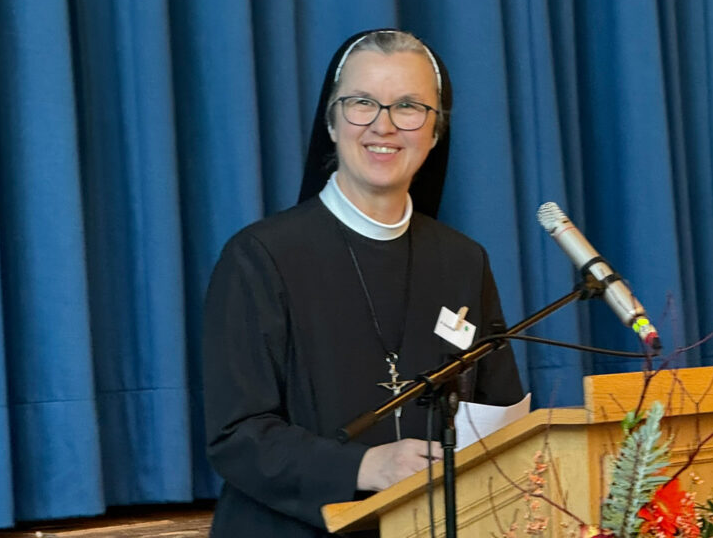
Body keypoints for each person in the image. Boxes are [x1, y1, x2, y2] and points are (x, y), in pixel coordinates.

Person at [202, 29, 524, 537]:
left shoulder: (463, 261)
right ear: (331, 121)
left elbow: (501, 415)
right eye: (362, 103)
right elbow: (236, 435)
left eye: (409, 107)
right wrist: (364, 467)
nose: (384, 125)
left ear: (436, 131)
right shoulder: (259, 258)